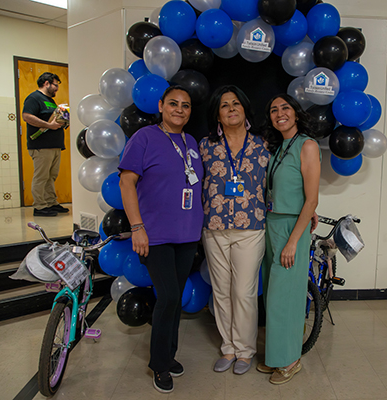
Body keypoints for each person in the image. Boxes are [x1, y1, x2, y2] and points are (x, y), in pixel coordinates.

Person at [119, 86, 204, 394]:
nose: (179, 109)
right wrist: (137, 227)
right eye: (173, 104)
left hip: (187, 233)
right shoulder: (144, 138)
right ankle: (159, 363)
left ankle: (170, 353)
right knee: (167, 296)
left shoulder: (191, 142)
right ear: (161, 106)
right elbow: (126, 182)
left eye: (185, 105)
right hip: (154, 234)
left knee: (176, 296)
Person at [199, 86, 270, 375]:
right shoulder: (206, 145)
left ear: (245, 108)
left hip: (250, 228)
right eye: (224, 105)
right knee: (221, 292)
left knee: (243, 292)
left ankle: (245, 350)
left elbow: (281, 179)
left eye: (236, 103)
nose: (231, 108)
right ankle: (228, 348)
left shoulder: (264, 144)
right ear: (217, 112)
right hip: (214, 228)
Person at [258, 94, 321, 385]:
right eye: (274, 110)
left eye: (285, 108)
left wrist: (295, 240)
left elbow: (311, 199)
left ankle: (291, 361)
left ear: (296, 113)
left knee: (288, 297)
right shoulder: (280, 147)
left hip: (292, 228)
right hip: (273, 223)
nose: (279, 113)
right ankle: (276, 357)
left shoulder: (307, 146)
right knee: (274, 297)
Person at [22, 72, 69, 217]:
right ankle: (40, 206)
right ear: (46, 83)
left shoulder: (50, 100)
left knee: (51, 176)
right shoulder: (34, 98)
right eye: (55, 85)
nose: (57, 89)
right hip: (41, 146)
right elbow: (27, 116)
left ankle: (51, 203)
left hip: (54, 145)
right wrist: (48, 125)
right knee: (41, 176)